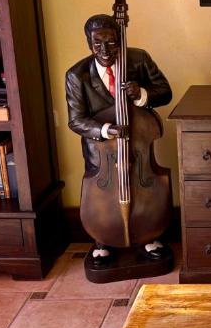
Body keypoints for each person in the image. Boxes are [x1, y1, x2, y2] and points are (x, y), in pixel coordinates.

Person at [65, 13, 173, 268]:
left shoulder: (139, 59)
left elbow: (165, 92)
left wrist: (142, 94)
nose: (105, 50)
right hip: (101, 152)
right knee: (104, 194)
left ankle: (149, 233)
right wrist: (104, 130)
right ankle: (102, 238)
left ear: (121, 40)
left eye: (112, 43)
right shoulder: (76, 75)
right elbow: (76, 120)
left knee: (143, 184)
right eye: (97, 43)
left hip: (138, 148)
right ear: (88, 43)